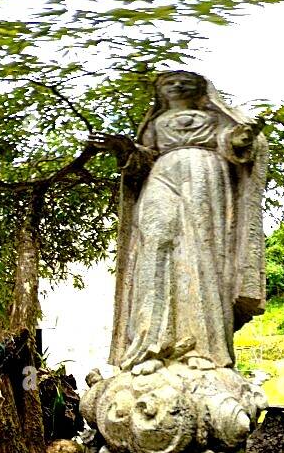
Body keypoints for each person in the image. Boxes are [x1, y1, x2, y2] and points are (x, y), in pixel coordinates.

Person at [94, 70, 267, 374]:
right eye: (168, 82)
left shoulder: (215, 119)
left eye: (183, 80)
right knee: (153, 244)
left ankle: (201, 347)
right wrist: (125, 150)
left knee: (199, 256)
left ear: (201, 89)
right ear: (160, 92)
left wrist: (241, 139)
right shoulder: (155, 124)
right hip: (161, 177)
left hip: (204, 178)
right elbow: (144, 158)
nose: (176, 85)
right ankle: (149, 346)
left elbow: (233, 145)